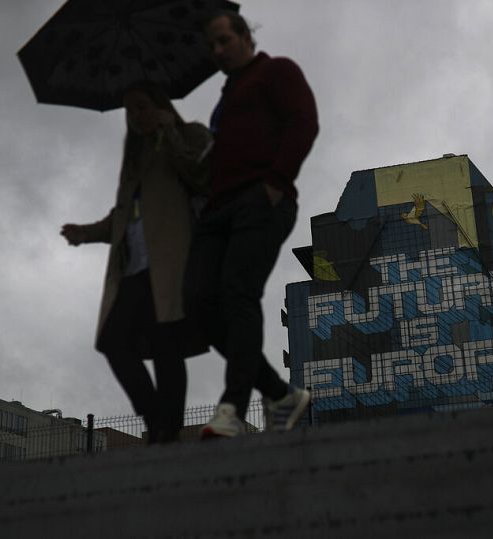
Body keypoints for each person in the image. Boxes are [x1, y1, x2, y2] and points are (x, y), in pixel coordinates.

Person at [188, 10, 319, 438]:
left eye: (224, 40)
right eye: (211, 46)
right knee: (200, 304)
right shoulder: (223, 104)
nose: (218, 51)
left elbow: (304, 121)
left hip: (261, 199)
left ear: (246, 35)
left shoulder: (276, 71)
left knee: (238, 293)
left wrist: (277, 182)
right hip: (218, 210)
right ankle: (280, 393)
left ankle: (231, 409)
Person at [61, 81, 211, 443]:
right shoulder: (135, 156)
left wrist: (169, 131)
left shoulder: (190, 133)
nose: (135, 116)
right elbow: (123, 216)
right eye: (129, 110)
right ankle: (156, 415)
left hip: (172, 260)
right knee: (113, 341)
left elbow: (201, 174)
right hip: (132, 266)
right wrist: (87, 232)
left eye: (142, 106)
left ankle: (167, 429)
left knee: (166, 344)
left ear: (159, 105)